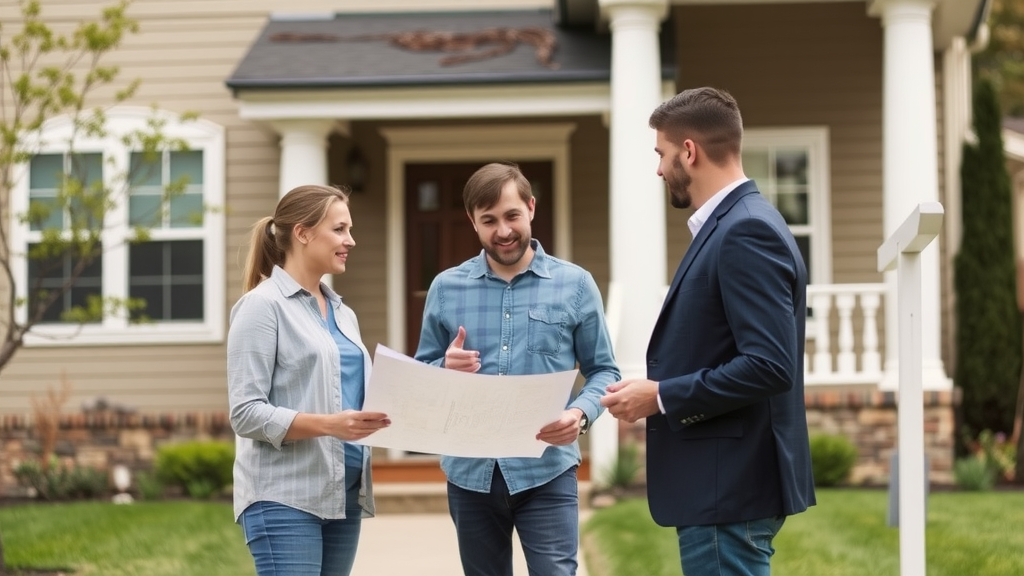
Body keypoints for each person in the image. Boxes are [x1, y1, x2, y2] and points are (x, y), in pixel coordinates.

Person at [600, 87, 816, 576]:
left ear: (689, 151)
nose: (659, 169)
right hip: (725, 488)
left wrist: (661, 396)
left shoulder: (745, 231)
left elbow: (769, 365)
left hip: (728, 489)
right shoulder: (735, 224)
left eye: (662, 154)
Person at [414, 162, 620, 576]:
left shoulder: (576, 285)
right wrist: (442, 369)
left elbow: (604, 371)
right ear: (473, 222)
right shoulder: (445, 288)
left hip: (547, 469)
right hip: (470, 474)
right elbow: (420, 378)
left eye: (511, 216)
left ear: (530, 208)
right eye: (489, 220)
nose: (503, 231)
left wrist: (580, 415)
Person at [227, 184, 391, 576]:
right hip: (285, 497)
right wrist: (331, 425)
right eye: (339, 229)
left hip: (344, 495)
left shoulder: (342, 313)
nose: (350, 240)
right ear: (302, 233)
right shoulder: (262, 307)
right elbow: (245, 413)